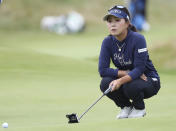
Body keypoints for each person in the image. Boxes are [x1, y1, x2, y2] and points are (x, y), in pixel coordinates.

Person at [98, 5, 160, 119]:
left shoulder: (138, 39)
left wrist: (120, 80)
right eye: (109, 21)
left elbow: (139, 69)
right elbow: (103, 70)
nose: (113, 24)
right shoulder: (107, 42)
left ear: (127, 23)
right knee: (105, 83)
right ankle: (126, 107)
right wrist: (126, 74)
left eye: (117, 20)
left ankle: (139, 108)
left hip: (149, 79)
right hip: (130, 79)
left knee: (129, 85)